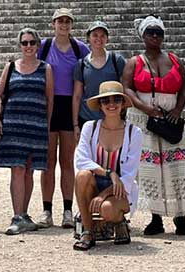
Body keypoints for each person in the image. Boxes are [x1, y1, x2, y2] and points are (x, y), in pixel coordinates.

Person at [121, 15, 185, 235]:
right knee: (150, 169)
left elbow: (184, 88)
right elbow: (127, 87)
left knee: (177, 165)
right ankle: (156, 218)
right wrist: (144, 107)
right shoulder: (134, 62)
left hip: (169, 116)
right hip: (144, 118)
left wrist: (178, 110)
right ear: (143, 36)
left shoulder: (174, 59)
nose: (155, 36)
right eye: (150, 32)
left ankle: (181, 217)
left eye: (158, 33)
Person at [0, 28, 54, 235]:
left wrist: (46, 126)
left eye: (31, 42)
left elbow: (49, 100)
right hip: (13, 124)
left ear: (37, 45)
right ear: (20, 45)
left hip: (36, 125)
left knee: (29, 170)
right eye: (24, 42)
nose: (28, 46)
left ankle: (24, 215)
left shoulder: (46, 68)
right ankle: (17, 215)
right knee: (17, 168)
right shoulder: (10, 67)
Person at [72, 81, 143, 250]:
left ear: (123, 104)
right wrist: (110, 173)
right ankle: (87, 231)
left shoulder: (134, 132)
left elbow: (129, 175)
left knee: (107, 209)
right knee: (82, 175)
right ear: (100, 105)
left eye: (116, 99)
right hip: (96, 182)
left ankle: (119, 221)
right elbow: (81, 160)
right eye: (106, 100)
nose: (111, 104)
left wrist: (103, 195)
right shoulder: (89, 127)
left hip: (119, 190)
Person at [38, 8, 90, 228]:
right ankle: (47, 210)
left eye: (68, 21)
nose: (64, 24)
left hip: (70, 106)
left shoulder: (80, 48)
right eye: (60, 21)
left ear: (72, 25)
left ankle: (68, 210)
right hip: (49, 105)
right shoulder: (44, 46)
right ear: (53, 24)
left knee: (67, 161)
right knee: (48, 162)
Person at [72, 21, 127, 140]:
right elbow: (77, 95)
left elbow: (125, 90)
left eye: (102, 36)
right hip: (87, 118)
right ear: (88, 38)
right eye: (95, 35)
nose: (99, 39)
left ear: (107, 39)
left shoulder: (117, 60)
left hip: (113, 117)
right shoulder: (81, 65)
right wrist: (75, 124)